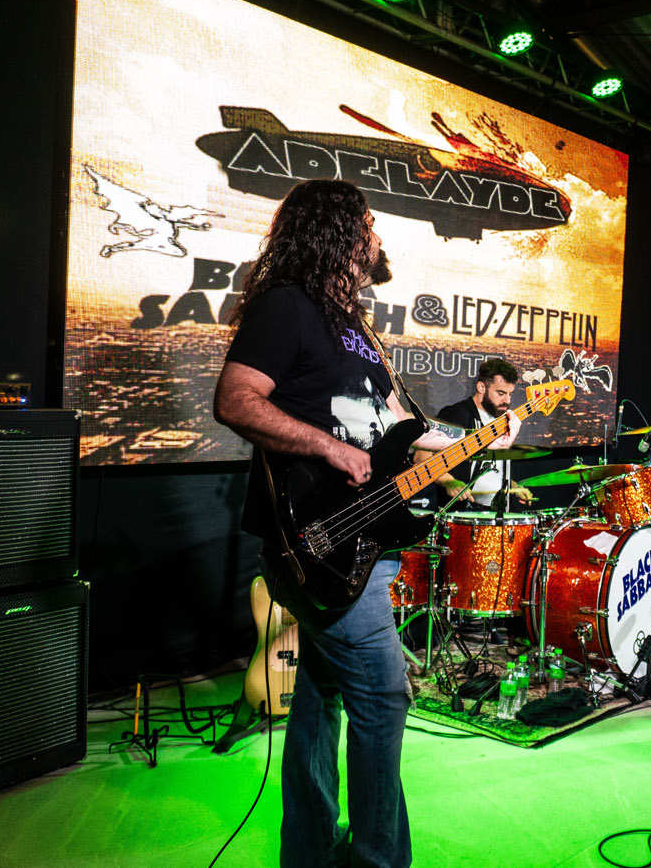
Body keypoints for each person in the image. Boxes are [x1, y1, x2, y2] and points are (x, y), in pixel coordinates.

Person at [213, 179, 518, 868]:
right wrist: (328, 447)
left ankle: (309, 851)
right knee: (382, 698)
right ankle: (378, 860)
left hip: (362, 537)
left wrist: (480, 440)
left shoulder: (356, 327)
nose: (379, 236)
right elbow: (235, 399)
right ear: (339, 233)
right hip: (314, 538)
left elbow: (403, 430)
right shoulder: (287, 305)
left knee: (319, 696)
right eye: (370, 223)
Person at [417, 358, 535, 510]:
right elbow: (421, 456)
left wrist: (513, 487)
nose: (507, 400)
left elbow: (491, 470)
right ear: (481, 387)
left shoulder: (504, 421)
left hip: (498, 514)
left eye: (510, 394)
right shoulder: (455, 415)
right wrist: (449, 481)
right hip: (463, 514)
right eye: (501, 393)